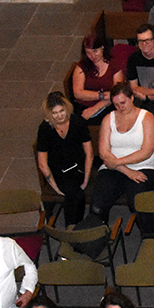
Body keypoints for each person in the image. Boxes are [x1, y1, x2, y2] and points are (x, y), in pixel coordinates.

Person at [88, 83, 154, 225]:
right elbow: (104, 153)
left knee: (138, 204)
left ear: (132, 98)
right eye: (116, 104)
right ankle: (99, 236)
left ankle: (149, 237)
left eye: (123, 102)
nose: (120, 107)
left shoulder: (147, 118)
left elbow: (146, 151)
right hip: (114, 168)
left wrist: (118, 163)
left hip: (143, 166)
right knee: (97, 205)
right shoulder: (108, 119)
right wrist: (126, 171)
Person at [36, 92, 92, 226]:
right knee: (75, 194)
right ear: (49, 114)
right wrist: (55, 187)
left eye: (61, 111)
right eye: (54, 113)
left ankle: (72, 227)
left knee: (74, 194)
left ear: (66, 108)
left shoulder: (77, 122)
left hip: (78, 167)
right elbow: (42, 163)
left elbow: (89, 153)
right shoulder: (45, 129)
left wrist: (86, 179)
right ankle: (74, 226)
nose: (59, 115)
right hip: (59, 171)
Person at [71, 33, 123, 121]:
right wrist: (101, 95)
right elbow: (78, 93)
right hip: (84, 106)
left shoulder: (115, 65)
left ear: (102, 47)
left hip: (107, 105)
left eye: (95, 51)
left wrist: (95, 108)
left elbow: (116, 93)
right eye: (88, 53)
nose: (93, 56)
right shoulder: (81, 67)